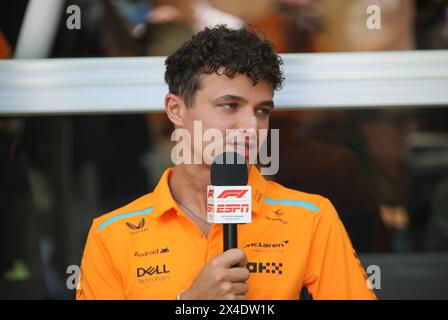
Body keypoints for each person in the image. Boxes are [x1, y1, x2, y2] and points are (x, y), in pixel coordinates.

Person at [76, 25, 375, 300]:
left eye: (261, 111)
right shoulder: (112, 235)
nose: (252, 127)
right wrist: (190, 304)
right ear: (176, 110)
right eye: (230, 106)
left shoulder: (311, 218)